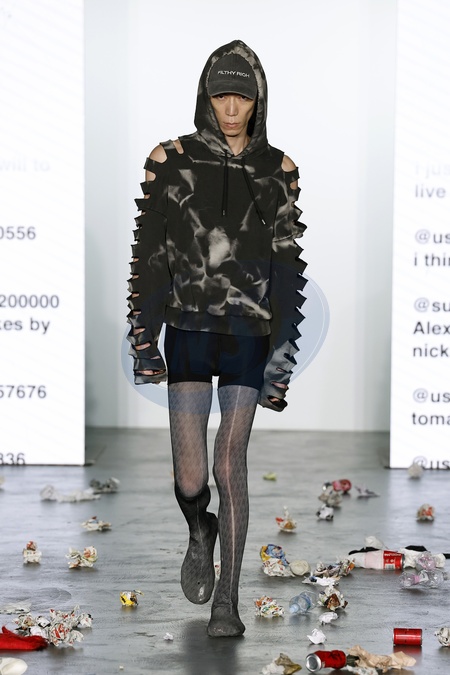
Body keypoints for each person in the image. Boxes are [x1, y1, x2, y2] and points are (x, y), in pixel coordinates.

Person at [127, 39, 306, 637]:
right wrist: (144, 336)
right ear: (206, 96)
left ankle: (226, 601)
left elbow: (287, 267)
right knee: (190, 478)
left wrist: (281, 361)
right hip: (189, 328)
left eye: (243, 97)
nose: (232, 109)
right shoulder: (169, 160)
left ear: (258, 101)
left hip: (249, 334)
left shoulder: (279, 170)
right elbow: (149, 254)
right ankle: (199, 527)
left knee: (231, 465)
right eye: (221, 95)